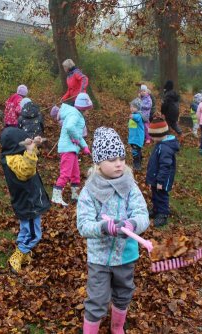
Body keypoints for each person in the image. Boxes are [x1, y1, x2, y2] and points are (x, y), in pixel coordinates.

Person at [76, 127, 149, 334]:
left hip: (126, 255)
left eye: (121, 158)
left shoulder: (130, 186)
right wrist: (103, 227)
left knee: (124, 293)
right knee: (97, 299)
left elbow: (142, 214)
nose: (119, 163)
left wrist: (133, 224)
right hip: (99, 258)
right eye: (111, 159)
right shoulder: (89, 191)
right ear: (98, 164)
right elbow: (83, 225)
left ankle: (117, 328)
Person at [0, 127, 51, 273]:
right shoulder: (14, 160)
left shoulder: (14, 155)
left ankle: (23, 253)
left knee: (26, 228)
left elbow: (29, 161)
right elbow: (27, 170)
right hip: (28, 202)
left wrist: (34, 146)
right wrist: (29, 150)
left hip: (28, 200)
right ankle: (18, 254)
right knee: (34, 234)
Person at [52, 93, 92, 206]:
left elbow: (78, 136)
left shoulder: (76, 114)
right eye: (87, 110)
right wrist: (76, 140)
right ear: (83, 108)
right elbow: (70, 128)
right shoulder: (75, 115)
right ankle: (56, 196)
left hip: (72, 149)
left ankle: (75, 195)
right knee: (65, 173)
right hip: (67, 148)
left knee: (76, 174)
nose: (88, 112)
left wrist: (85, 147)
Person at [146, 118, 180, 227]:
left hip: (161, 179)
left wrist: (160, 181)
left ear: (159, 135)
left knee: (161, 196)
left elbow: (165, 166)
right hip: (156, 177)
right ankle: (156, 209)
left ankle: (163, 214)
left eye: (152, 136)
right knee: (155, 194)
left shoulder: (165, 148)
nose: (151, 138)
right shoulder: (160, 144)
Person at [128, 98, 145, 171]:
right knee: (137, 150)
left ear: (138, 108)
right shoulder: (134, 115)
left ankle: (137, 165)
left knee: (135, 151)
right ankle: (139, 160)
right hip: (133, 138)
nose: (131, 108)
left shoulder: (138, 115)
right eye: (131, 106)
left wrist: (132, 116)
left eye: (133, 107)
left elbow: (137, 118)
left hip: (137, 138)